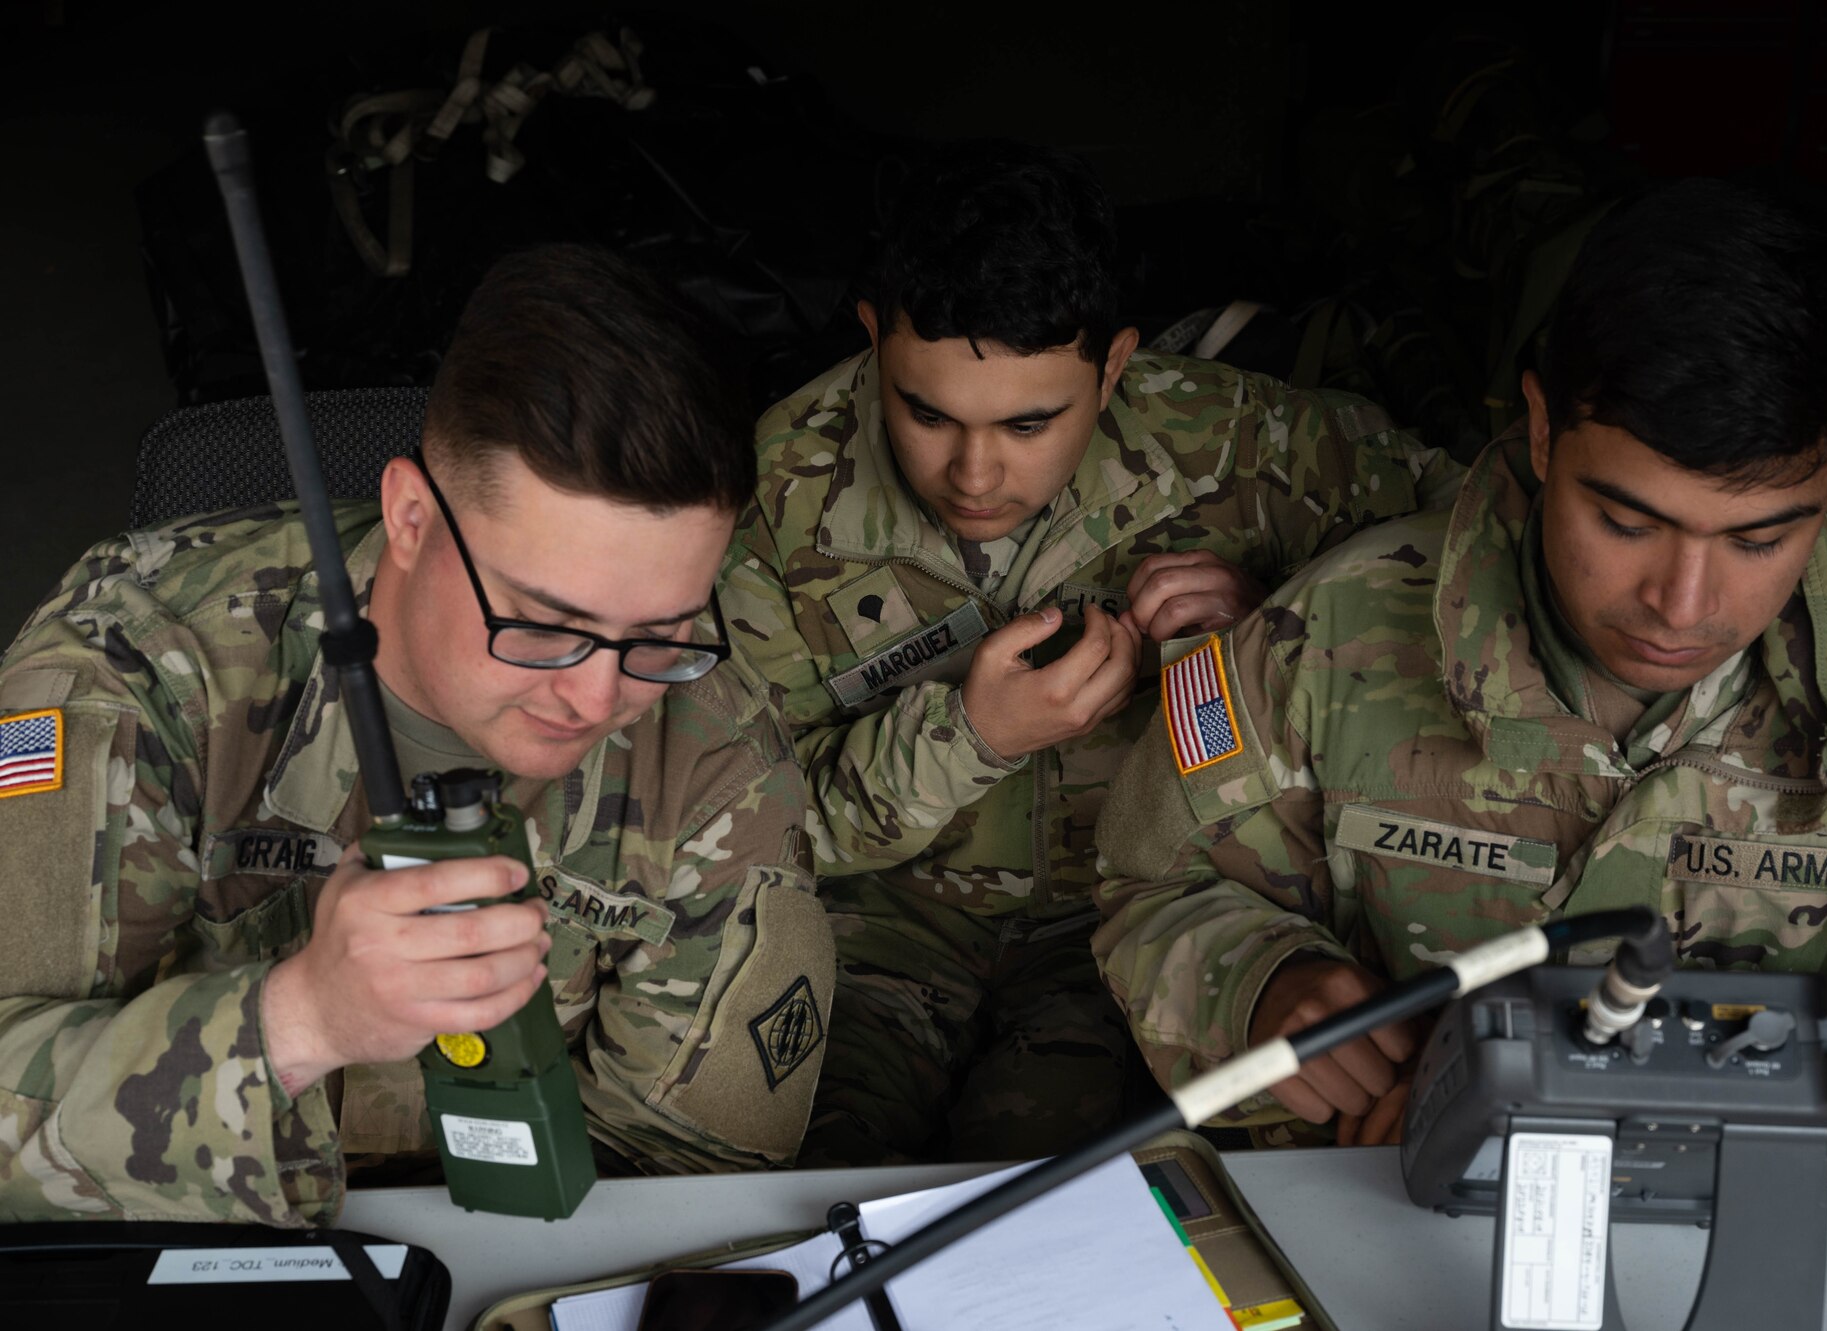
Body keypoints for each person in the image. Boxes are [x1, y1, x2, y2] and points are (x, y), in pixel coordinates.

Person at [1092, 178, 1827, 1183]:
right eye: (1624, 521)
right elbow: (1155, 883)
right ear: (1538, 428)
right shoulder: (1329, 630)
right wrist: (1258, 983)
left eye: (1758, 536)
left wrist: (1618, 1100)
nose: (1681, 601)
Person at [0, 245, 833, 1226]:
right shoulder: (131, 676)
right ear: (410, 515)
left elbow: (696, 1187)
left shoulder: (715, 747)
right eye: (548, 624)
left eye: (660, 631)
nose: (601, 691)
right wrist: (298, 1020)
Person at [719, 140, 1461, 1164]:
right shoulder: (775, 493)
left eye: (1029, 422)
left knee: (1056, 1196)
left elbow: (1495, 558)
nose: (973, 472)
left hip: (1117, 937)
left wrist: (1282, 621)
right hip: (874, 932)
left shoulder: (1244, 448)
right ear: (871, 337)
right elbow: (755, 831)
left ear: (1114, 363)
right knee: (809, 1177)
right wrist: (968, 734)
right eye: (924, 411)